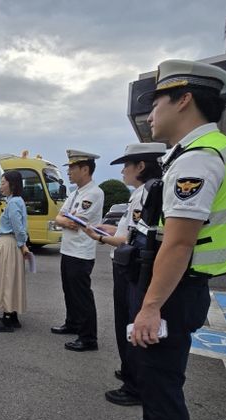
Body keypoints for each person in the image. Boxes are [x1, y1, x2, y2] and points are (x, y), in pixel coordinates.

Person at [108, 60, 226, 420]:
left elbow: (180, 243)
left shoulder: (199, 159)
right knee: (154, 373)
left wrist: (150, 306)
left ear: (184, 99)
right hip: (176, 284)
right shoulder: (195, 153)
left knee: (163, 378)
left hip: (175, 287)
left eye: (156, 103)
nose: (150, 115)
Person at [82, 143, 165, 406]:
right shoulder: (143, 192)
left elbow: (130, 239)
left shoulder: (145, 193)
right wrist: (107, 229)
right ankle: (130, 371)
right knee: (125, 321)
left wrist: (99, 237)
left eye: (126, 166)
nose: (122, 172)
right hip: (130, 266)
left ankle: (133, 385)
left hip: (131, 268)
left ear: (140, 166)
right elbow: (128, 230)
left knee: (128, 323)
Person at [51, 150, 105, 351]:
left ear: (85, 169)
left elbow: (76, 222)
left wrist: (66, 219)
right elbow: (59, 217)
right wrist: (65, 219)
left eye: (72, 168)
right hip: (68, 249)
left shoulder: (94, 193)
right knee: (69, 291)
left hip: (81, 252)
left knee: (82, 295)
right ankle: (72, 323)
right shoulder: (75, 193)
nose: (69, 172)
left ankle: (88, 337)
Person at [0, 170, 30, 332]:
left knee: (6, 279)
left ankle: (6, 319)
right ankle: (13, 316)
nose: (1, 186)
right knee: (12, 279)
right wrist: (22, 244)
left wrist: (22, 243)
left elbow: (18, 227)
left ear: (12, 185)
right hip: (13, 244)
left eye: (3, 182)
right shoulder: (17, 200)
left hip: (9, 243)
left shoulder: (13, 203)